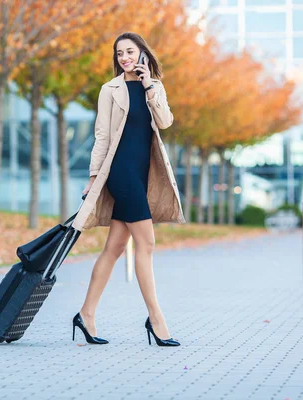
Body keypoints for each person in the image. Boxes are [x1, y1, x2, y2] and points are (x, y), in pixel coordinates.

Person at [70, 32, 186, 347]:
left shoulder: (155, 87)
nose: (125, 58)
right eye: (120, 53)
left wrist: (149, 85)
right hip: (120, 172)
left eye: (130, 51)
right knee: (146, 243)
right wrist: (94, 176)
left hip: (142, 173)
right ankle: (157, 320)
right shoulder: (110, 89)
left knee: (115, 248)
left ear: (143, 54)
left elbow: (165, 122)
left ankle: (86, 314)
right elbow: (102, 134)